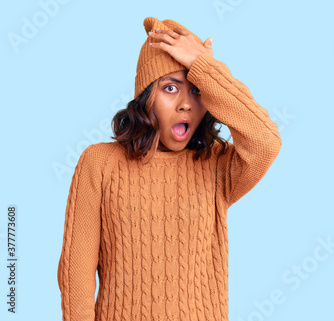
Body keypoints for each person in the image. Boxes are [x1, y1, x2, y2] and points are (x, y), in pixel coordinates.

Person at [56, 17, 282, 321]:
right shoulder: (99, 163)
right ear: (145, 97)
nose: (186, 104)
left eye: (197, 90)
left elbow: (266, 142)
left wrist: (207, 69)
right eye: (171, 87)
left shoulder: (217, 165)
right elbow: (76, 277)